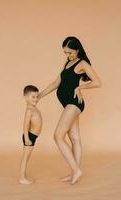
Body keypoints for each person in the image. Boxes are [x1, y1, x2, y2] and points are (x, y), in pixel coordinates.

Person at [38, 36, 102, 185]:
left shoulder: (82, 63)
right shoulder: (68, 62)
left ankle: (76, 170)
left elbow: (98, 82)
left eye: (70, 52)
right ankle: (74, 172)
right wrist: (40, 96)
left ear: (77, 49)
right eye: (65, 53)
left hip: (74, 103)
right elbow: (56, 82)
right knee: (74, 139)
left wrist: (80, 87)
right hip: (68, 103)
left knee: (58, 136)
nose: (68, 55)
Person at [19, 85, 43, 184]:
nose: (36, 99)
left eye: (37, 97)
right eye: (33, 97)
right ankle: (22, 178)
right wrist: (27, 138)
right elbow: (25, 126)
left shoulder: (33, 108)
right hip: (29, 136)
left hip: (33, 136)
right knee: (25, 157)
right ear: (26, 97)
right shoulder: (29, 110)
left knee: (27, 157)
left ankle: (23, 175)